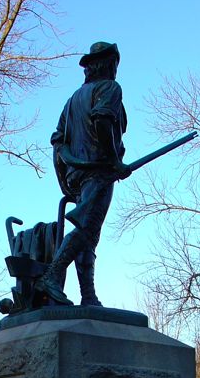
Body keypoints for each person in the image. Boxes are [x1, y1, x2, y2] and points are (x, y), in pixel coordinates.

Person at [37, 41, 131, 306]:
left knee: (89, 235)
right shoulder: (110, 88)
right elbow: (102, 120)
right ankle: (53, 276)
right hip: (98, 172)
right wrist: (114, 162)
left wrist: (65, 177)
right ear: (108, 64)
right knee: (86, 230)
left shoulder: (72, 100)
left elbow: (58, 142)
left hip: (77, 175)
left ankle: (88, 295)